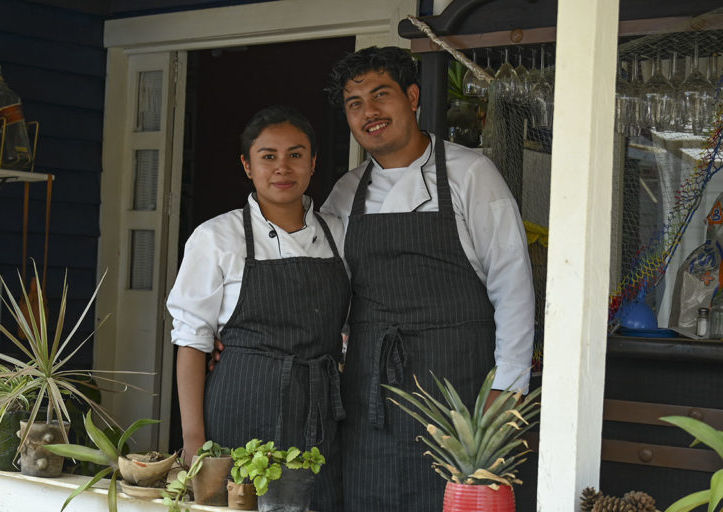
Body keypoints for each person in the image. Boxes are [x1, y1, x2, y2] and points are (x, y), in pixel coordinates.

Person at [321, 46, 535, 511]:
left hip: (461, 392)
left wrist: (508, 389)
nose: (369, 112)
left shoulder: (471, 173)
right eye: (355, 103)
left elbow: (513, 285)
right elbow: (318, 285)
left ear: (413, 97)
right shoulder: (345, 192)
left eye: (381, 95)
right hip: (371, 396)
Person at [166, 105, 350, 511]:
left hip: (319, 413)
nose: (283, 167)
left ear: (313, 163)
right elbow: (193, 341)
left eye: (296, 155)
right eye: (268, 156)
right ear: (247, 165)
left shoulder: (339, 234)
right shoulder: (217, 237)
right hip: (241, 405)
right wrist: (194, 440)